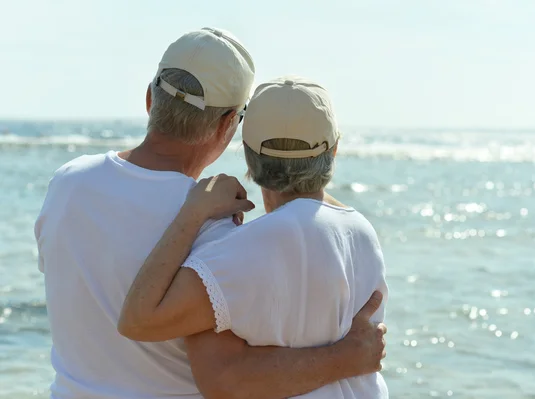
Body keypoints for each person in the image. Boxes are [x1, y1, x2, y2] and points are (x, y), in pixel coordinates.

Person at [35, 28, 386, 399]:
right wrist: (346, 357)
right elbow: (227, 376)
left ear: (150, 98)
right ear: (226, 125)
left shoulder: (67, 183)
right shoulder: (215, 226)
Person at [119, 76, 389, 398]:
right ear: (333, 151)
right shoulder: (362, 233)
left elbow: (138, 321)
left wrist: (193, 214)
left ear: (249, 157)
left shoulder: (243, 251)